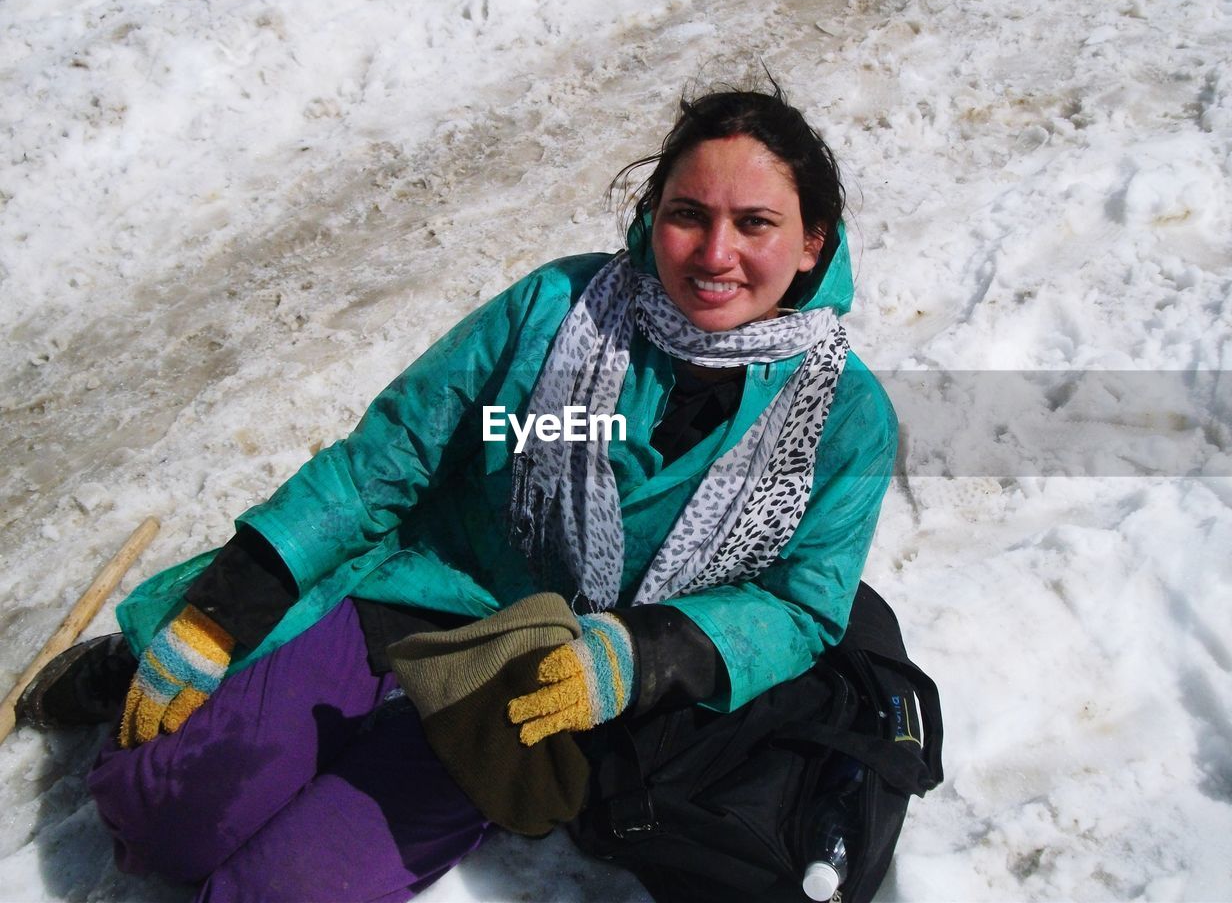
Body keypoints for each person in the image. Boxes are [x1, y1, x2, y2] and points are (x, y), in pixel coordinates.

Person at [17, 80, 898, 902]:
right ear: (650, 213)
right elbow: (391, 454)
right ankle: (148, 655)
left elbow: (802, 603)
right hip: (418, 595)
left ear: (813, 239)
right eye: (687, 215)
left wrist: (648, 654)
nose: (715, 254)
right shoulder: (561, 308)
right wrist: (232, 601)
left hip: (534, 688)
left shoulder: (845, 415)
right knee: (159, 818)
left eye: (755, 223)